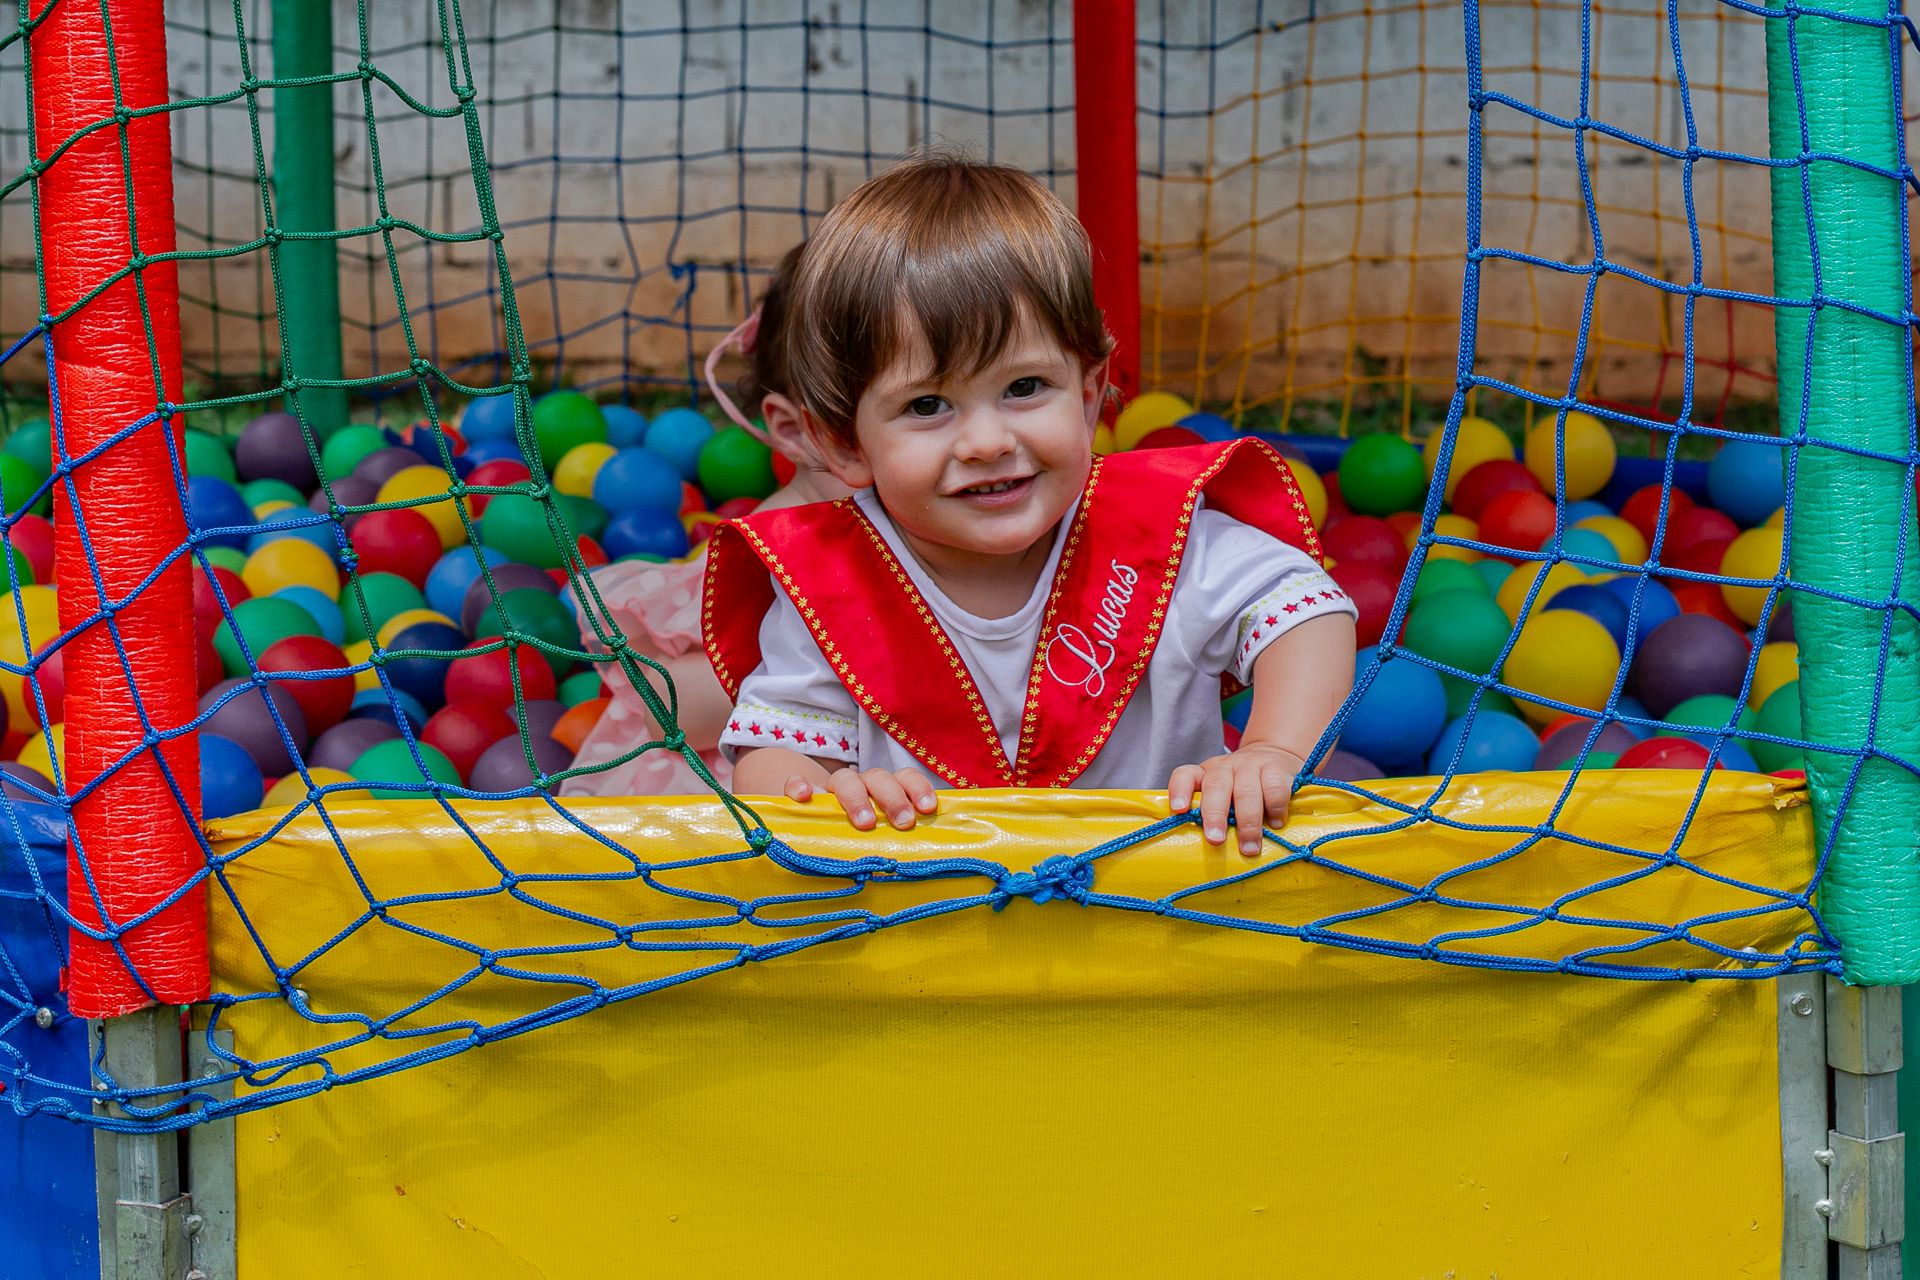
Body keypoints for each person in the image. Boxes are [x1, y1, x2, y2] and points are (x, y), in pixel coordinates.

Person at [703, 155, 1357, 855]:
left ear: (1087, 392)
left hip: (1163, 907)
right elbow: (775, 754)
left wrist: (1273, 751)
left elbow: (1305, 609)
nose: (987, 441)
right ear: (843, 442)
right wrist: (817, 792)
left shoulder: (1157, 534)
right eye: (927, 406)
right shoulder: (830, 583)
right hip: (931, 920)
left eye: (1025, 388)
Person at [560, 246, 855, 797]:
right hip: (727, 794)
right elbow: (667, 709)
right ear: (799, 433)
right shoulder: (775, 550)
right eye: (920, 409)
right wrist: (835, 673)